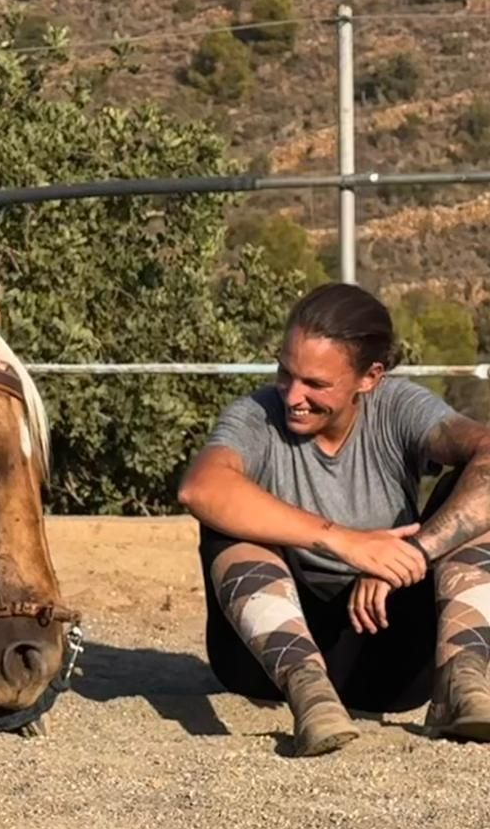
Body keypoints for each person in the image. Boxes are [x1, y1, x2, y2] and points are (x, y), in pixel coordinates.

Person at [177, 280, 490, 756]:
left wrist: (409, 555)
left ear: (370, 378)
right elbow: (199, 487)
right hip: (265, 666)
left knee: (475, 497)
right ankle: (311, 694)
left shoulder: (398, 408)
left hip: (390, 659)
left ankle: (463, 681)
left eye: (316, 384)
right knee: (227, 517)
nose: (292, 396)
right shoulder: (254, 416)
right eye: (285, 374)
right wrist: (344, 541)